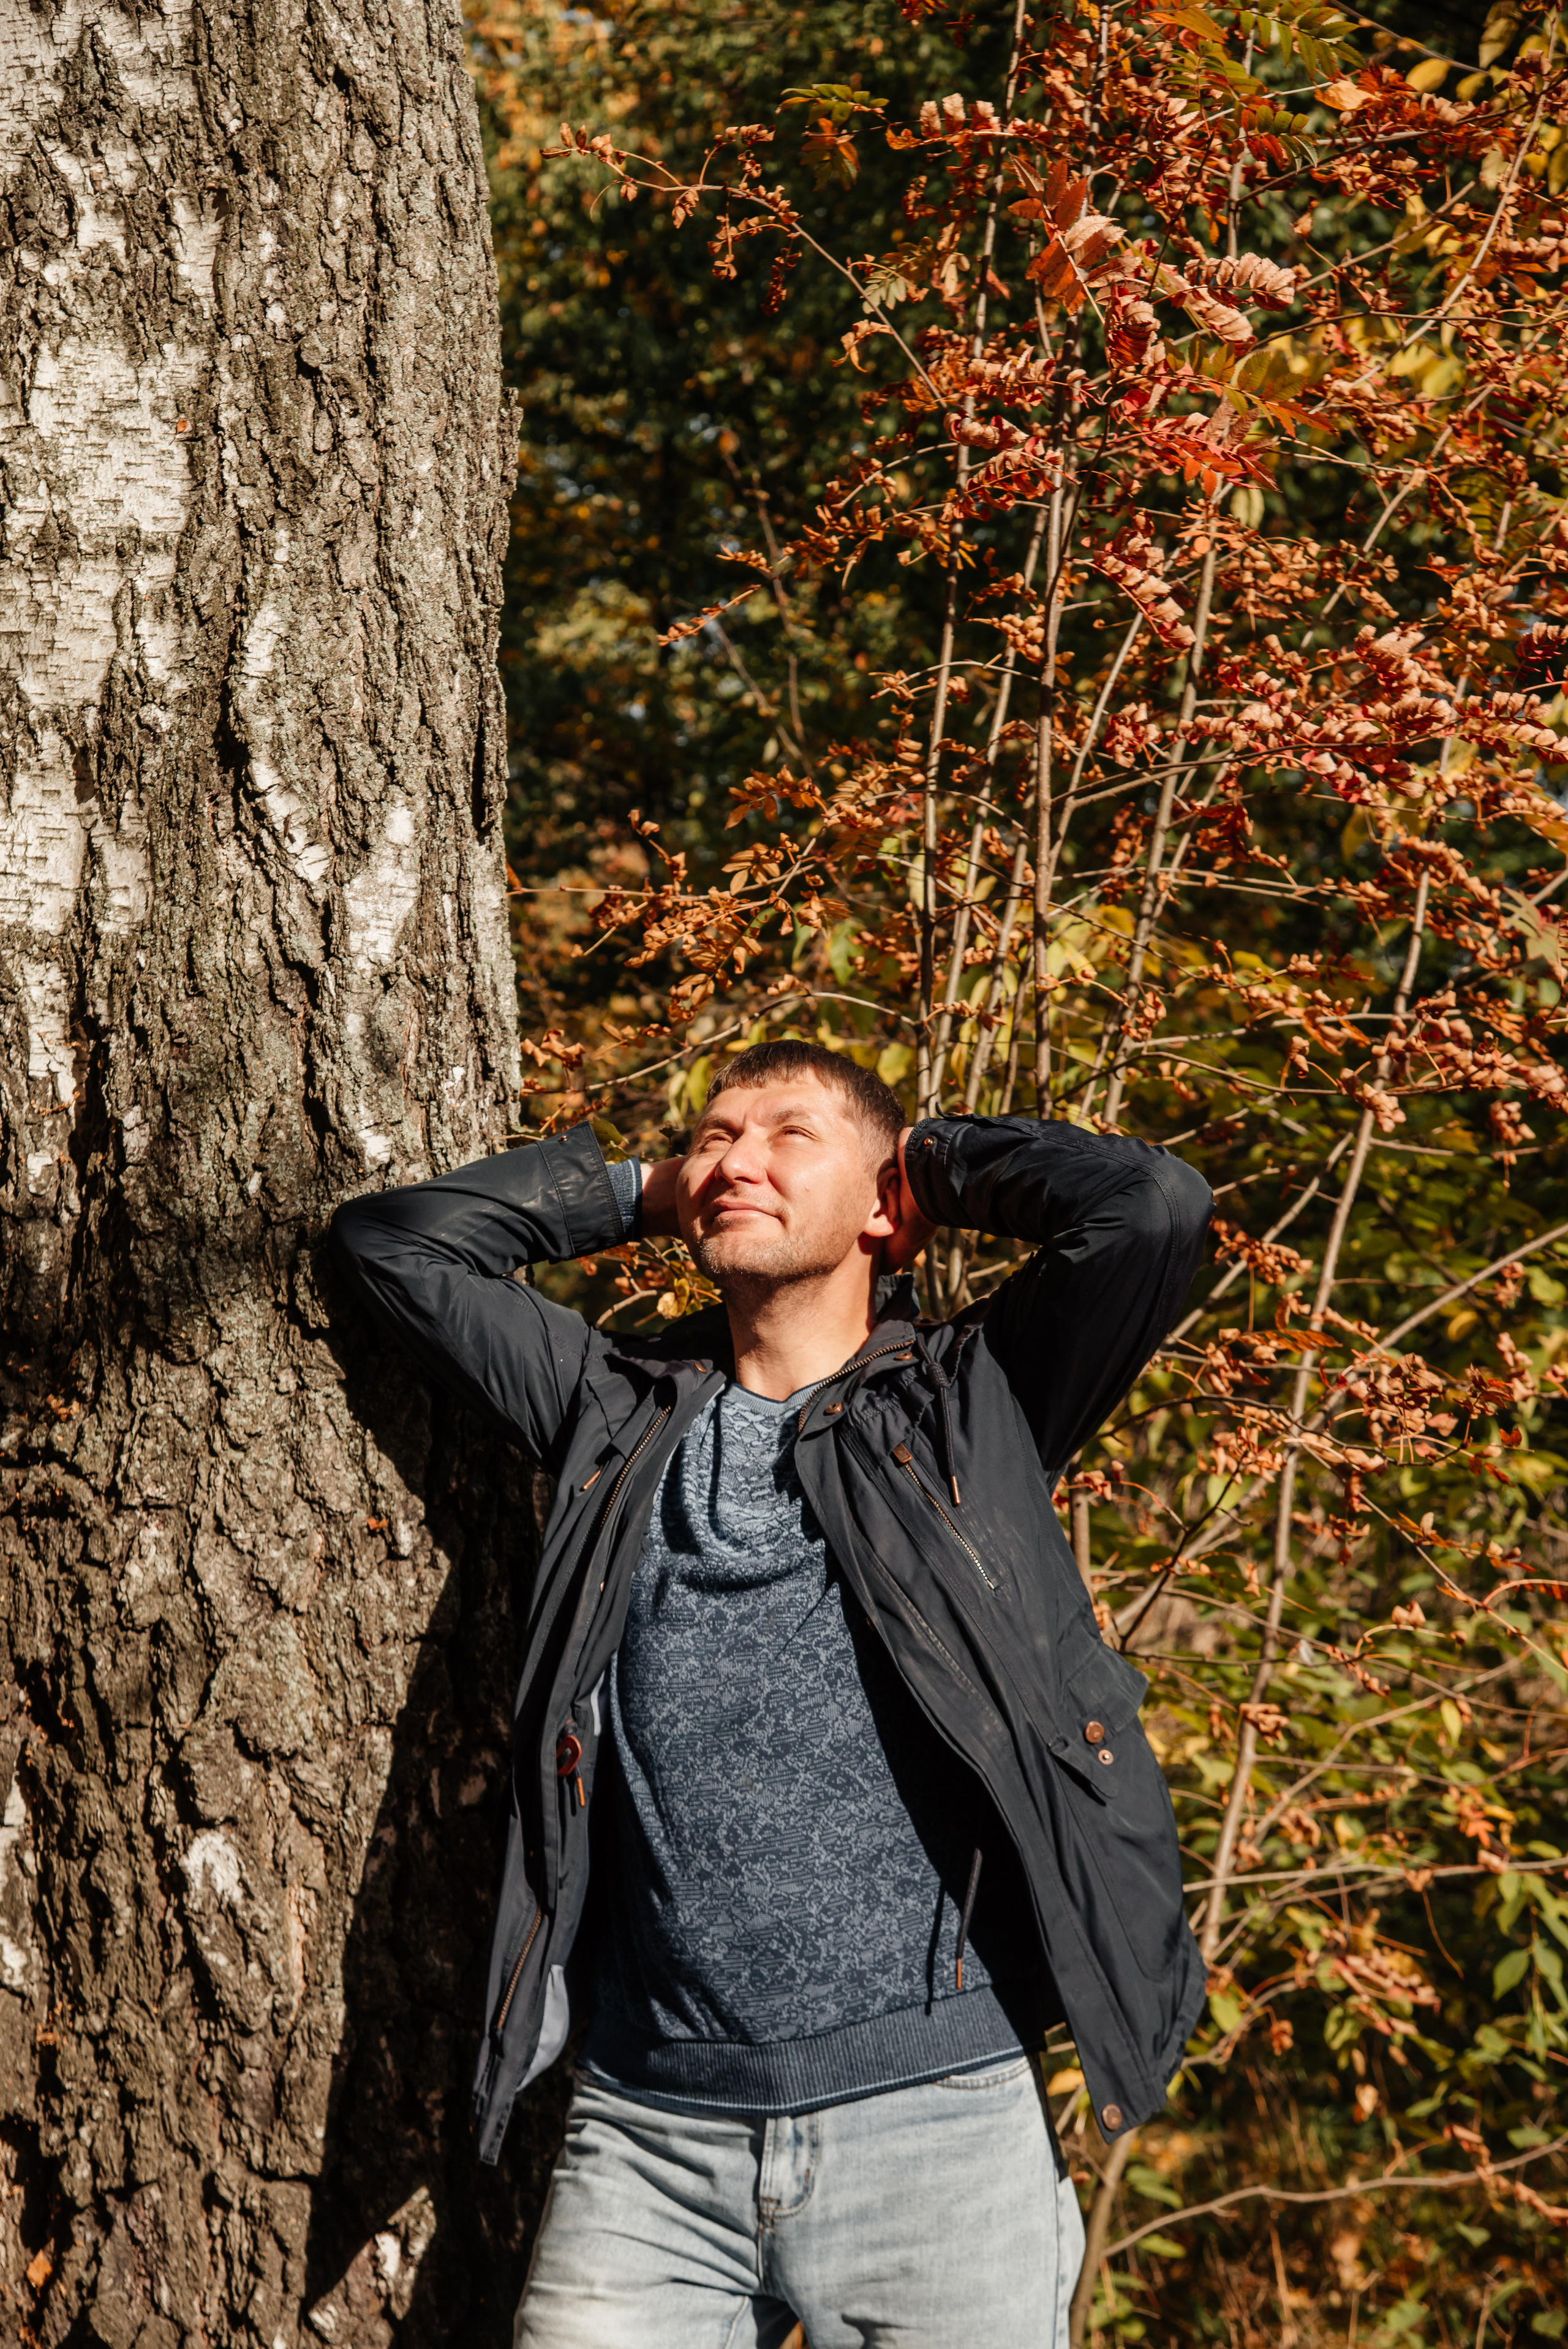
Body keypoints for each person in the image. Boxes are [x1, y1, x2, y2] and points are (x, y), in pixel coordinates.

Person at [330, 1042, 1212, 2348]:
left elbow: (1153, 1211)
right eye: (714, 1135)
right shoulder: (612, 1408)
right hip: (647, 2142)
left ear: (876, 1203)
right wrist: (640, 1187)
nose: (735, 1157)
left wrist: (932, 1161)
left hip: (939, 2127)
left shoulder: (970, 1401)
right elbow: (389, 1245)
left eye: (787, 1134)